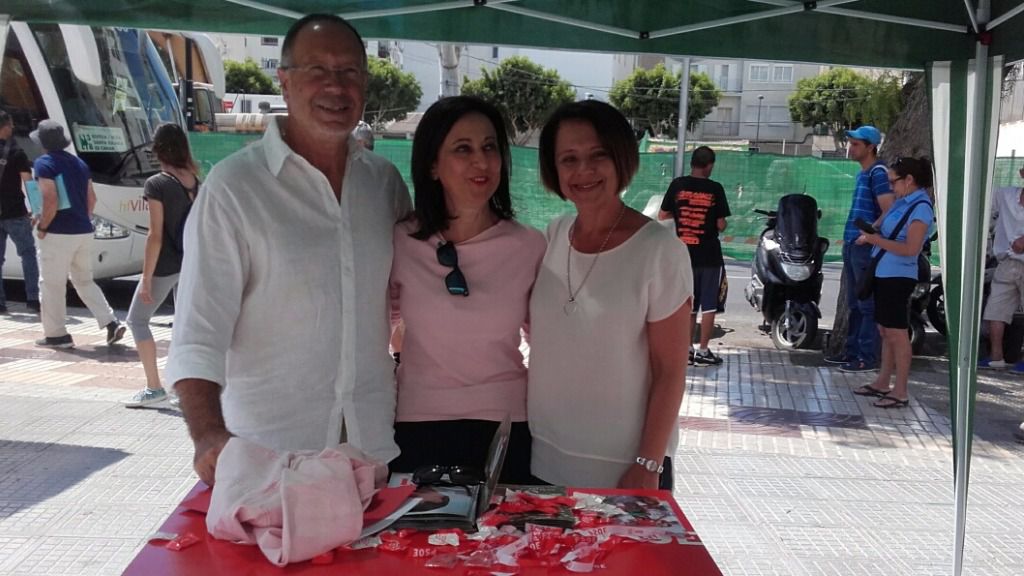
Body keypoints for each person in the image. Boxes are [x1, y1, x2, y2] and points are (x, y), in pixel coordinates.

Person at [165, 14, 411, 485]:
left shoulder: (384, 184)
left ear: (364, 82)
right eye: (317, 70)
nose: (335, 87)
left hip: (373, 447)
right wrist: (208, 434)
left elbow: (406, 295)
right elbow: (198, 332)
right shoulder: (234, 188)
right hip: (269, 456)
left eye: (349, 71)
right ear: (284, 80)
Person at [528, 101, 693, 490]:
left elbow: (670, 371)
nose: (583, 170)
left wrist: (647, 464)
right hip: (542, 456)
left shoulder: (659, 250)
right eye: (569, 159)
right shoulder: (554, 235)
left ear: (621, 158)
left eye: (598, 155)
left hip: (625, 468)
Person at [387, 96, 545, 484]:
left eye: (490, 147)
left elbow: (547, 345)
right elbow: (373, 333)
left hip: (506, 429)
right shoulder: (399, 241)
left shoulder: (529, 246)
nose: (481, 161)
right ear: (432, 164)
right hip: (416, 427)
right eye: (463, 149)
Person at [31, 119, 125, 349]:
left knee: (52, 285)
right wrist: (82, 220)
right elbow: (91, 199)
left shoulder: (44, 164)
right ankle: (110, 322)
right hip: (83, 230)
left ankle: (57, 335)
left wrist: (43, 226)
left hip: (57, 232)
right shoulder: (79, 163)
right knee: (84, 280)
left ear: (43, 143)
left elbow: (50, 198)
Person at [124, 124, 198, 408]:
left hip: (165, 264)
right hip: (188, 262)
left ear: (157, 149)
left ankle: (154, 388)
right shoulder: (194, 180)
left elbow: (155, 235)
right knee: (183, 325)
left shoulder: (156, 184)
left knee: (137, 320)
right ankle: (182, 389)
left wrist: (145, 277)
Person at [853, 157, 934, 409]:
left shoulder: (921, 208)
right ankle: (882, 382)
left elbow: (911, 249)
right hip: (884, 272)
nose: (891, 187)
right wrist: (872, 233)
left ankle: (900, 391)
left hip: (898, 276)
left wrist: (875, 240)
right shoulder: (902, 201)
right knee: (885, 330)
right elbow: (886, 225)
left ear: (909, 180)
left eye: (893, 182)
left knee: (898, 333)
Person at [827, 125, 893, 373]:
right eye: (850, 143)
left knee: (866, 304)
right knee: (854, 303)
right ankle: (852, 353)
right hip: (853, 245)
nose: (851, 148)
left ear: (871, 147)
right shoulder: (863, 174)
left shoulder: (878, 173)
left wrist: (868, 235)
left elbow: (889, 210)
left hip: (864, 248)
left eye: (856, 144)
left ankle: (866, 357)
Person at [658, 145, 730, 366]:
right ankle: (704, 351)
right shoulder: (715, 189)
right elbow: (721, 224)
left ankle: (687, 350)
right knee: (709, 306)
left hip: (684, 255)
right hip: (709, 255)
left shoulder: (677, 185)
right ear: (709, 165)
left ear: (692, 163)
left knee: (689, 304)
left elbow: (662, 215)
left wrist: (683, 217)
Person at [979, 166, 1024, 370]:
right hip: (1006, 262)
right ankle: (996, 357)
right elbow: (981, 196)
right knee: (995, 310)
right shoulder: (1005, 194)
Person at [0, 110, 40, 313]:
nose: (13, 127)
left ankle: (0, 304)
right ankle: (33, 299)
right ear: (5, 127)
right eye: (11, 124)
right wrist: (37, 210)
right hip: (15, 212)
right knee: (28, 254)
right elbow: (29, 183)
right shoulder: (17, 152)